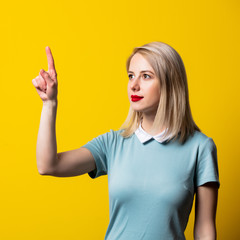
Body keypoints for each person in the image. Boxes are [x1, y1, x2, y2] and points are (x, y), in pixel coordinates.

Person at [32, 41, 220, 240]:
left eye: (146, 76)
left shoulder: (200, 147)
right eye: (131, 76)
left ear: (170, 83)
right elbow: (48, 166)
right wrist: (49, 103)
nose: (134, 85)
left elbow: (204, 229)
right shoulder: (112, 143)